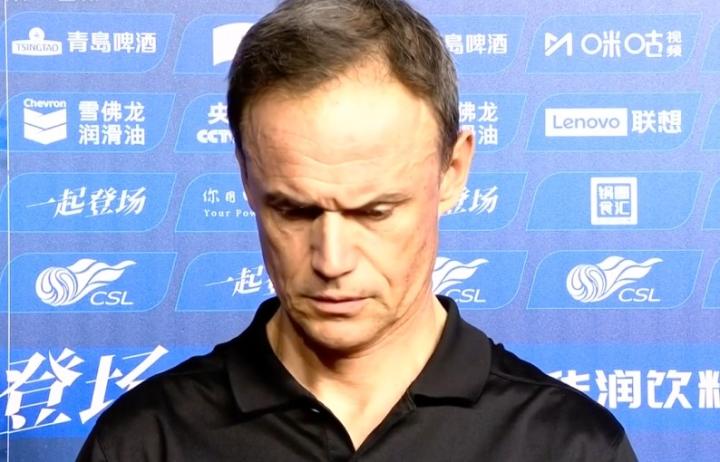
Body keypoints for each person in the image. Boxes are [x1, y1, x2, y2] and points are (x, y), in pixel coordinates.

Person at [77, 0, 637, 460]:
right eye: (294, 211)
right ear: (246, 175)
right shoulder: (145, 442)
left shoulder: (568, 446)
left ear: (452, 171)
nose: (332, 260)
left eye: (375, 212)